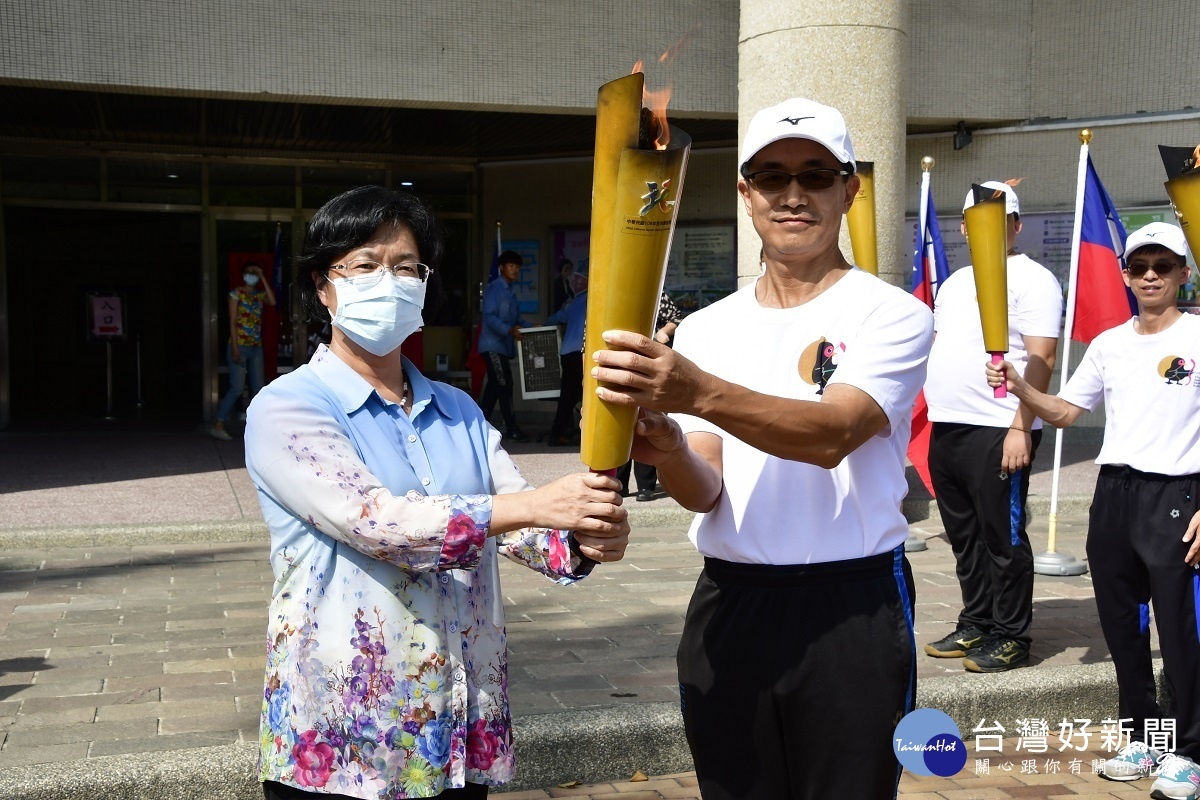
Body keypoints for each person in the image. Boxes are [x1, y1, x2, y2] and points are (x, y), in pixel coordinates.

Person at [591, 98, 933, 799]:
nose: (794, 194)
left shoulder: (890, 314)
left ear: (850, 188)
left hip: (851, 604)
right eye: (772, 177)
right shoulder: (710, 328)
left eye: (815, 174)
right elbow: (706, 489)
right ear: (745, 192)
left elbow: (834, 434)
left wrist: (695, 394)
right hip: (731, 600)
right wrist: (671, 448)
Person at [244, 186, 629, 800]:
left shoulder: (459, 410)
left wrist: (583, 532)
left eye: (406, 267)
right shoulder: (288, 405)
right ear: (323, 285)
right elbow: (379, 523)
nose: (388, 282)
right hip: (347, 738)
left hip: (457, 724)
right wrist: (533, 506)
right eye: (366, 265)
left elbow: (522, 523)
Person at [987, 221, 1200, 798]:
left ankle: (1191, 751)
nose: (1150, 275)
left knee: (1182, 632)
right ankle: (1147, 736)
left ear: (1184, 272)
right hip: (1115, 497)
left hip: (1179, 497)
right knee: (1123, 629)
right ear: (1126, 275)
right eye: (1139, 267)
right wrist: (1019, 387)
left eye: (1163, 265)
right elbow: (1064, 412)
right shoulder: (1109, 343)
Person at [922, 180, 1062, 673]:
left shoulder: (1034, 279)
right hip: (949, 425)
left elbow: (1042, 356)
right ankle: (976, 621)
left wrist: (1022, 426)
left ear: (1016, 227)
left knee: (1003, 538)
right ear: (963, 228)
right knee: (964, 535)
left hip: (1000, 426)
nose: (988, 231)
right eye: (976, 223)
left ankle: (1011, 635)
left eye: (1001, 223)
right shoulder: (956, 282)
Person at [615, 291, 683, 500]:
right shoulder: (609, 294)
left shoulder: (652, 291)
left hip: (647, 369)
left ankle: (646, 486)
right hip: (615, 368)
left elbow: (676, 317)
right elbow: (587, 337)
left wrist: (663, 331)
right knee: (618, 427)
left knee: (646, 422)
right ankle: (619, 483)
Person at [211, 260, 276, 440]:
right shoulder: (235, 294)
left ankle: (260, 427)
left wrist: (262, 275)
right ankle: (218, 423)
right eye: (249, 272)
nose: (252, 276)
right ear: (242, 275)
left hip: (256, 346)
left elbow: (273, 300)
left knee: (258, 388)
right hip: (239, 345)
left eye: (255, 273)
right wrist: (234, 347)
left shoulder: (259, 295)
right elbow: (232, 321)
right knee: (237, 388)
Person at [478, 250, 529, 442]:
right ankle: (512, 428)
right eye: (511, 266)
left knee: (494, 389)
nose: (515, 270)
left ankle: (478, 425)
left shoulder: (511, 291)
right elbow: (489, 317)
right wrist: (509, 330)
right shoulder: (494, 289)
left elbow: (517, 320)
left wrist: (533, 327)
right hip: (492, 346)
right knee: (504, 385)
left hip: (503, 348)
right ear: (502, 268)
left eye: (517, 267)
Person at [543, 272, 588, 448]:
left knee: (567, 396)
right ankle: (587, 435)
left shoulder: (575, 302)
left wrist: (542, 323)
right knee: (590, 394)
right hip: (584, 352)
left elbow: (557, 318)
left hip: (567, 352)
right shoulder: (597, 301)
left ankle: (557, 434)